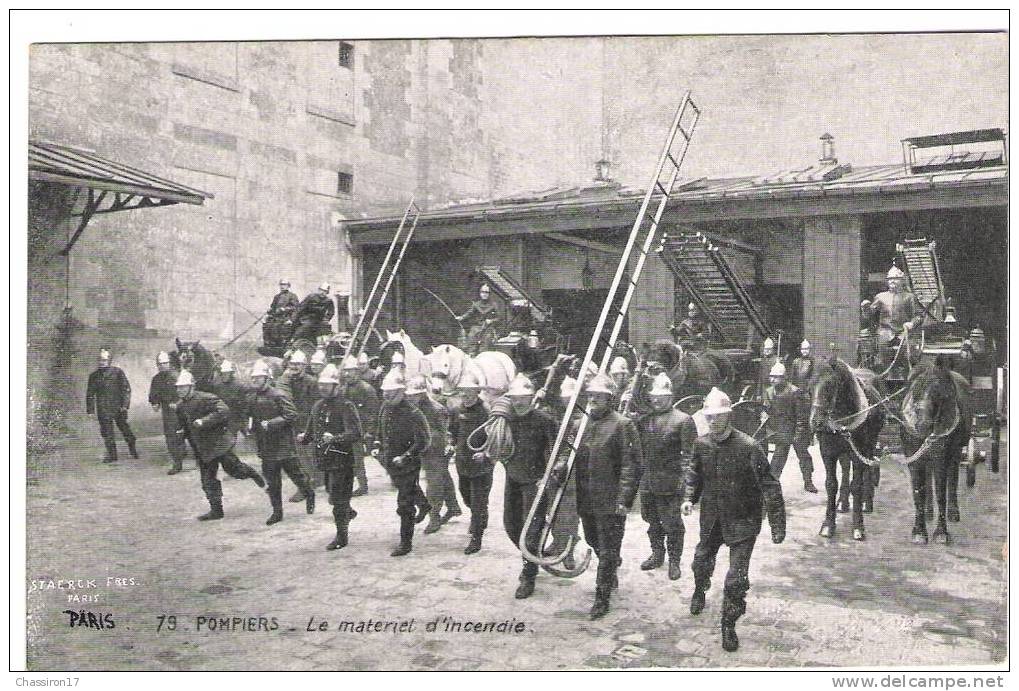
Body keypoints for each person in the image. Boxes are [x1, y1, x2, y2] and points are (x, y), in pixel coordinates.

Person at [682, 388, 786, 653]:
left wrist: (777, 524)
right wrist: (688, 498)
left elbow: (770, 486)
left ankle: (728, 623)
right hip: (713, 519)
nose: (712, 421)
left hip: (743, 521)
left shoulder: (749, 447)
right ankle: (699, 590)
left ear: (728, 416)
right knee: (700, 562)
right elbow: (694, 473)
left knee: (735, 578)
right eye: (708, 417)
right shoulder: (701, 444)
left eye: (717, 416)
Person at [566, 374, 643, 619]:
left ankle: (602, 596)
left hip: (611, 501)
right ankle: (610, 568)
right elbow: (567, 454)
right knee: (592, 539)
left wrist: (624, 499)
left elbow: (632, 465)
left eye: (599, 396)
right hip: (586, 498)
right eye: (591, 396)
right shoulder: (580, 426)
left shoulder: (622, 425)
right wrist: (560, 466)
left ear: (610, 399)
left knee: (609, 547)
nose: (594, 400)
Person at [485, 374, 558, 600]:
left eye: (523, 398)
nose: (518, 402)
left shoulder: (544, 420)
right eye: (514, 398)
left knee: (530, 531)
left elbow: (556, 450)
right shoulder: (507, 420)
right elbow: (499, 444)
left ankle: (528, 575)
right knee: (510, 525)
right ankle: (533, 555)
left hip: (535, 483)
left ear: (531, 397)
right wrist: (486, 454)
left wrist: (554, 471)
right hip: (513, 479)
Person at [174, 370, 266, 521]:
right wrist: (181, 432)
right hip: (202, 447)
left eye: (183, 387)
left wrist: (205, 421)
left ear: (191, 387)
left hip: (218, 443)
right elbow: (184, 424)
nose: (180, 390)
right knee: (208, 480)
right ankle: (216, 510)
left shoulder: (206, 398)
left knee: (234, 469)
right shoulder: (180, 406)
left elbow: (224, 410)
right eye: (178, 388)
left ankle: (252, 473)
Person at [637, 372, 697, 580]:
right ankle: (657, 553)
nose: (655, 399)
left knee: (672, 524)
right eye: (653, 396)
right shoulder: (645, 420)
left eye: (660, 396)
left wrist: (687, 490)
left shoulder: (683, 420)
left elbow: (690, 458)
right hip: (648, 481)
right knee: (652, 521)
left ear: (669, 397)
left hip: (672, 482)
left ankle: (674, 560)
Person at [298, 364, 362, 551]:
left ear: (336, 386)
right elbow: (312, 429)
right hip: (325, 460)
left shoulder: (346, 405)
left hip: (342, 460)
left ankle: (341, 536)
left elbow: (355, 433)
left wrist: (335, 438)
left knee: (338, 500)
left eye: (327, 385)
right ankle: (347, 513)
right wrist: (304, 437)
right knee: (334, 496)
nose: (323, 388)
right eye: (321, 385)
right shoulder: (318, 405)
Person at [246, 359, 315, 525]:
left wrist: (272, 423)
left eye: (258, 377)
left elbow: (291, 415)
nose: (255, 380)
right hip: (266, 446)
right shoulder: (252, 397)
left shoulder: (278, 395)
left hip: (283, 445)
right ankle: (277, 512)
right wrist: (250, 427)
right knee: (272, 481)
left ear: (267, 378)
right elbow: (250, 417)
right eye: (253, 378)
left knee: (296, 476)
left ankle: (309, 493)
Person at [371, 368, 432, 556]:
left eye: (391, 393)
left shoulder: (413, 413)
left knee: (404, 503)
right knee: (407, 488)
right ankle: (424, 504)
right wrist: (377, 443)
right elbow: (380, 428)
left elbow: (424, 441)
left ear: (401, 392)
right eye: (385, 393)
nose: (387, 397)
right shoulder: (385, 407)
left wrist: (406, 456)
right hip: (390, 460)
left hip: (408, 463)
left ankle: (406, 543)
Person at [406, 375, 462, 534]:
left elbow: (445, 432)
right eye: (410, 395)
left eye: (415, 395)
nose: (412, 398)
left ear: (423, 393)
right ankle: (452, 507)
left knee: (434, 484)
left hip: (436, 450)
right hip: (423, 449)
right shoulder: (412, 408)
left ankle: (434, 516)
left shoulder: (437, 409)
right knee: (443, 477)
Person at [447, 368, 493, 554]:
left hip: (481, 465)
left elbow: (496, 437)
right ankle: (480, 518)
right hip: (463, 463)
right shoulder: (457, 410)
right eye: (462, 391)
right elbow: (452, 432)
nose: (464, 395)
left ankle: (476, 537)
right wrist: (450, 444)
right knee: (466, 497)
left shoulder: (487, 411)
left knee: (477, 501)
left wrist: (485, 452)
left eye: (468, 391)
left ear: (477, 392)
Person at [762, 362, 817, 493]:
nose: (773, 379)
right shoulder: (769, 392)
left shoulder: (794, 392)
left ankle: (808, 482)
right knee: (778, 458)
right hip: (781, 430)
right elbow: (766, 410)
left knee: (804, 456)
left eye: (776, 377)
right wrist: (764, 414)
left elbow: (801, 416)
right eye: (771, 376)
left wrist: (798, 435)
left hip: (796, 428)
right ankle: (772, 484)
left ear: (784, 377)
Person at [862, 265, 923, 372]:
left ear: (902, 281)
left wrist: (912, 324)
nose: (892, 281)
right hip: (885, 332)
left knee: (907, 354)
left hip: (903, 332)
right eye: (890, 279)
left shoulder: (909, 297)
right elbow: (869, 314)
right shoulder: (881, 296)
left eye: (895, 278)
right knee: (882, 353)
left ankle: (907, 376)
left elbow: (918, 316)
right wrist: (865, 307)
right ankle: (883, 375)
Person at [86, 349, 138, 463]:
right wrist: (90, 410)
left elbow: (126, 389)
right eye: (100, 360)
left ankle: (132, 448)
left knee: (125, 429)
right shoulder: (93, 376)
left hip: (119, 407)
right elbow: (90, 394)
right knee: (106, 432)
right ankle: (112, 455)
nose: (101, 362)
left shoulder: (117, 372)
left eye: (104, 360)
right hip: (103, 408)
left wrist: (125, 405)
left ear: (109, 360)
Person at [341, 355, 378, 496]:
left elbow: (373, 412)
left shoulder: (366, 389)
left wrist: (369, 431)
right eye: (345, 371)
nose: (346, 374)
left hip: (362, 429)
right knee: (353, 459)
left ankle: (397, 475)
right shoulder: (343, 389)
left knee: (378, 455)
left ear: (356, 372)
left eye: (350, 371)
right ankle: (361, 485)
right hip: (348, 429)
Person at [148, 351, 187, 474]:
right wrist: (155, 402)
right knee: (171, 436)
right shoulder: (156, 379)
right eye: (160, 364)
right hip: (168, 411)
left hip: (183, 409)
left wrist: (178, 403)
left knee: (186, 434)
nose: (162, 366)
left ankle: (196, 457)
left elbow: (187, 394)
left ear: (169, 363)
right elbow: (154, 393)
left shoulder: (177, 376)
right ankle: (177, 463)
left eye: (164, 363)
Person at [456, 283, 500, 353]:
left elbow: (499, 318)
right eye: (482, 292)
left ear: (489, 294)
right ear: (480, 293)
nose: (484, 294)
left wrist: (491, 320)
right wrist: (461, 317)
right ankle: (471, 355)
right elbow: (469, 313)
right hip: (476, 327)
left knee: (485, 345)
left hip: (487, 328)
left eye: (486, 292)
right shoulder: (476, 304)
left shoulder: (493, 305)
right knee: (471, 339)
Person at [211, 360, 249, 436]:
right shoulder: (217, 385)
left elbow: (245, 405)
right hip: (222, 416)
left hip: (236, 416)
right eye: (222, 374)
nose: (224, 375)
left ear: (231, 373)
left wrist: (243, 420)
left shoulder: (239, 385)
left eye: (226, 373)